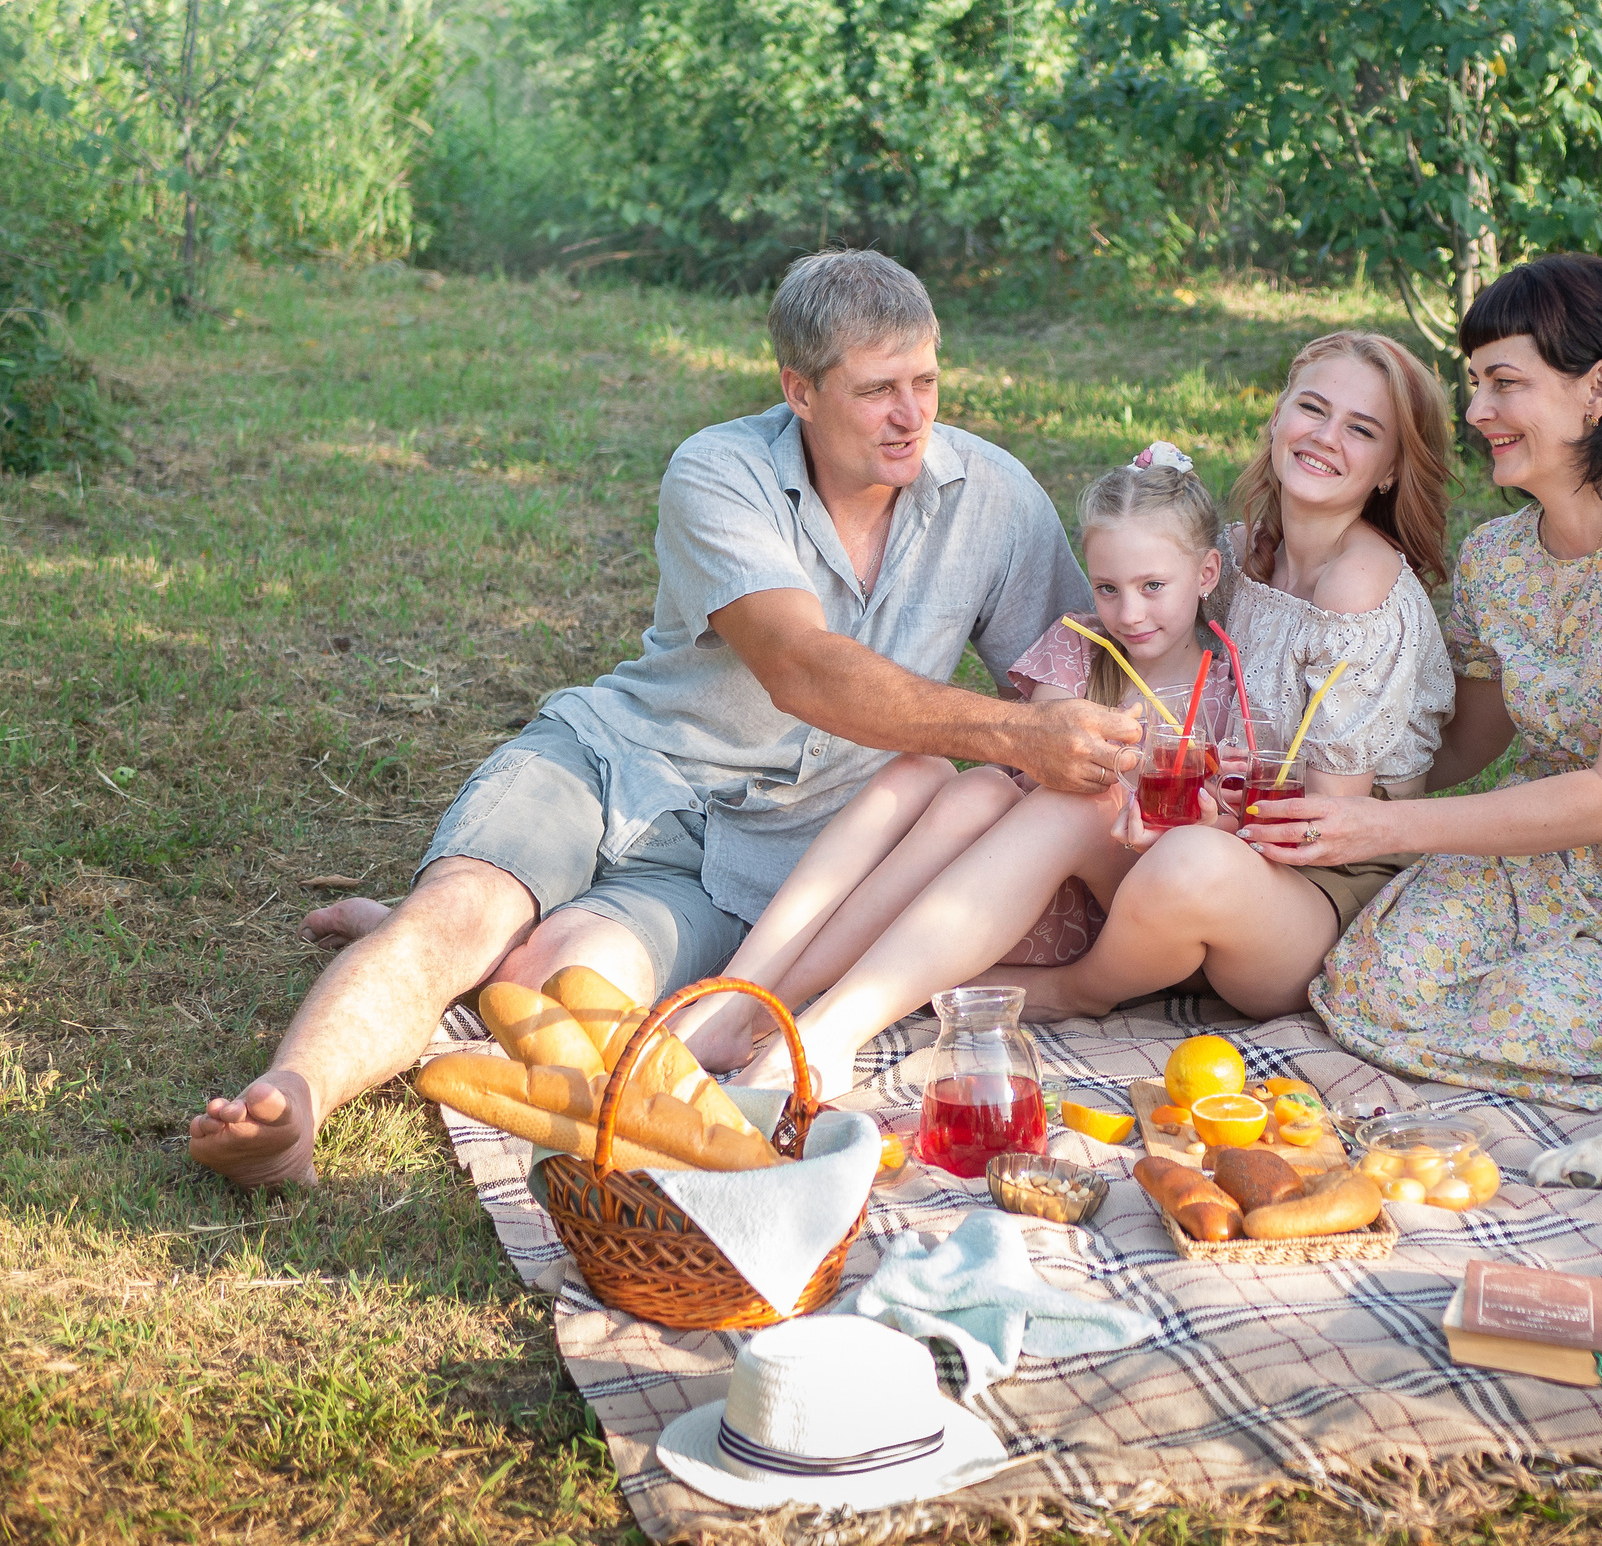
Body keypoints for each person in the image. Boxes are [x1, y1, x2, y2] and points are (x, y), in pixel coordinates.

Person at [187, 250, 1141, 1187]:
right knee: (463, 910)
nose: (912, 415)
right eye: (877, 388)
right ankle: (293, 1104)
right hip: (614, 765)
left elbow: (1072, 680)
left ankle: (453, 942)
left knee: (558, 983)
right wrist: (1015, 739)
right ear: (798, 389)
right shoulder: (719, 471)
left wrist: (1073, 735)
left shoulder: (997, 499)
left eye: (926, 380)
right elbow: (803, 668)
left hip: (758, 866)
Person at [712, 330, 1456, 1097]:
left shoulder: (1357, 592)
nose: (1326, 436)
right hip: (1198, 852)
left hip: (1316, 894)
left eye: (1361, 429)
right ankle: (790, 1011)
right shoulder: (1238, 556)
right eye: (1313, 407)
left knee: (1153, 843)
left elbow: (1329, 828)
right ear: (1277, 417)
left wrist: (1205, 819)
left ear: (1393, 465)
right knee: (1027, 798)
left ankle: (1064, 991)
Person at [1263, 255, 1602, 1111]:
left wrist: (1384, 824)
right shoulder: (1498, 556)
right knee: (1374, 979)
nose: (1476, 412)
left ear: (1598, 389)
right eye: (1474, 383)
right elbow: (1464, 742)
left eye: (1503, 383)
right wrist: (1319, 790)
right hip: (1545, 848)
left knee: (1526, 1012)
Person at [668, 440, 1236, 1081]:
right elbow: (1042, 767)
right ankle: (741, 996)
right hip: (1006, 885)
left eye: (1153, 587)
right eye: (1107, 587)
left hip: (1118, 909)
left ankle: (775, 1015)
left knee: (1050, 799)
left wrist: (1194, 820)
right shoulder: (1081, 648)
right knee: (937, 774)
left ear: (1207, 574)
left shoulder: (1231, 685)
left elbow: (1214, 840)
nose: (1128, 613)